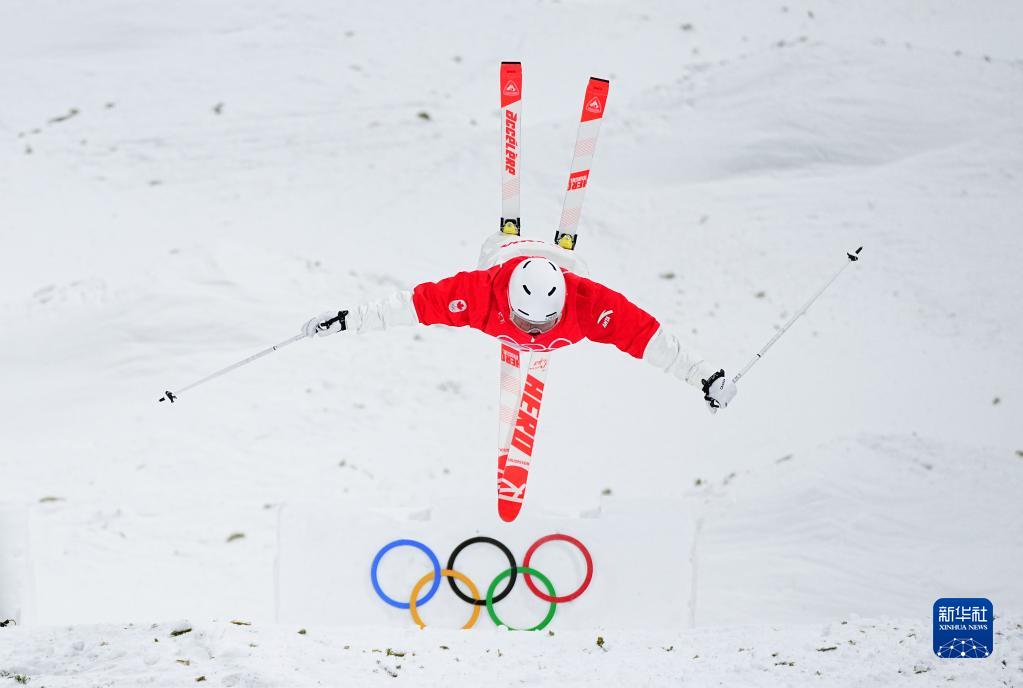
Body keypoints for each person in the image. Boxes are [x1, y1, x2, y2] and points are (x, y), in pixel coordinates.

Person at [302, 231, 737, 412]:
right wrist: (345, 320)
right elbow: (407, 306)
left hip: (566, 266)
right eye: (527, 324)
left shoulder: (590, 304)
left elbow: (652, 339)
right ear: (508, 301)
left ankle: (555, 250)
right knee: (494, 252)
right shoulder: (478, 293)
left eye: (544, 325)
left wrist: (706, 377)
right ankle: (514, 242)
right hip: (504, 257)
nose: (533, 334)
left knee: (588, 296)